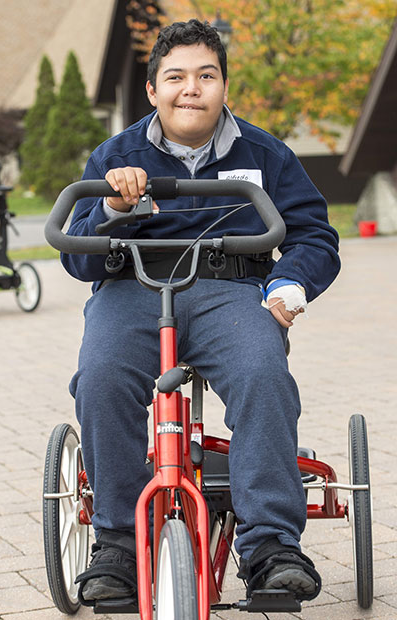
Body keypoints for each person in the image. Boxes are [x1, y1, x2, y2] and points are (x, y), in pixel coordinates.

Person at [61, 19, 340, 606]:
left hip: (230, 288)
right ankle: (117, 542)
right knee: (102, 378)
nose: (192, 88)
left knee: (263, 372)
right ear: (153, 91)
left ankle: (271, 547)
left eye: (206, 76)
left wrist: (289, 286)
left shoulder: (265, 153)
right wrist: (111, 206)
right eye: (176, 77)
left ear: (224, 86)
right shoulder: (116, 154)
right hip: (132, 286)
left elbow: (315, 234)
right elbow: (81, 261)